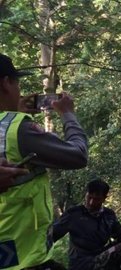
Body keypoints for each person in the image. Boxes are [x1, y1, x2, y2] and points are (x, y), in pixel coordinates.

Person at [0, 53, 88, 269]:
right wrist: (68, 115)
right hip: (24, 256)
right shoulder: (18, 128)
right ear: (6, 83)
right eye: (17, 82)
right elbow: (78, 155)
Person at [50, 179, 121, 270]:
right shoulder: (74, 214)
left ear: (104, 199)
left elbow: (120, 236)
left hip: (102, 261)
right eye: (89, 197)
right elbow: (50, 236)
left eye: (96, 199)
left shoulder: (109, 215)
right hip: (80, 263)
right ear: (85, 194)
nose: (91, 202)